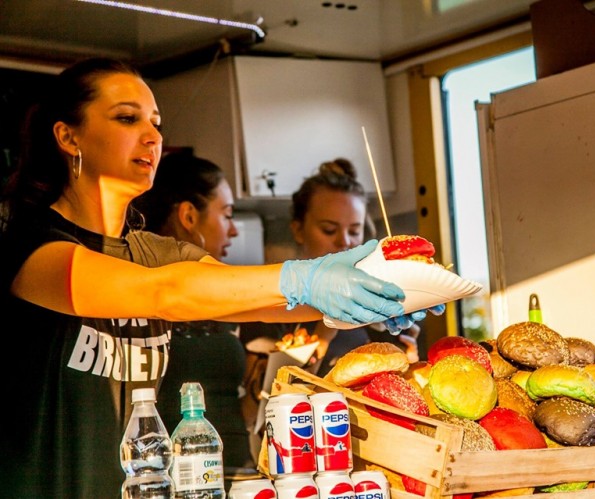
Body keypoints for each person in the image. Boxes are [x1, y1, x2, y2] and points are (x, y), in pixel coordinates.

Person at [0, 57, 438, 498]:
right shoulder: (30, 246)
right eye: (127, 118)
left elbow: (259, 300)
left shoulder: (156, 252)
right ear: (67, 136)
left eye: (156, 123)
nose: (152, 137)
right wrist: (305, 278)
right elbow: (166, 293)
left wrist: (378, 293)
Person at [240, 158, 440, 459]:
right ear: (298, 230)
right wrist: (326, 330)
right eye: (329, 229)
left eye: (354, 231)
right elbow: (253, 411)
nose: (344, 242)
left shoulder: (383, 309)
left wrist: (408, 363)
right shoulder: (269, 308)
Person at [131, 151, 253, 470]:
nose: (234, 230)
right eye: (226, 215)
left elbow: (237, 407)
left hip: (239, 470)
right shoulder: (140, 287)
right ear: (188, 216)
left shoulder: (224, 293)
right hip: (177, 477)